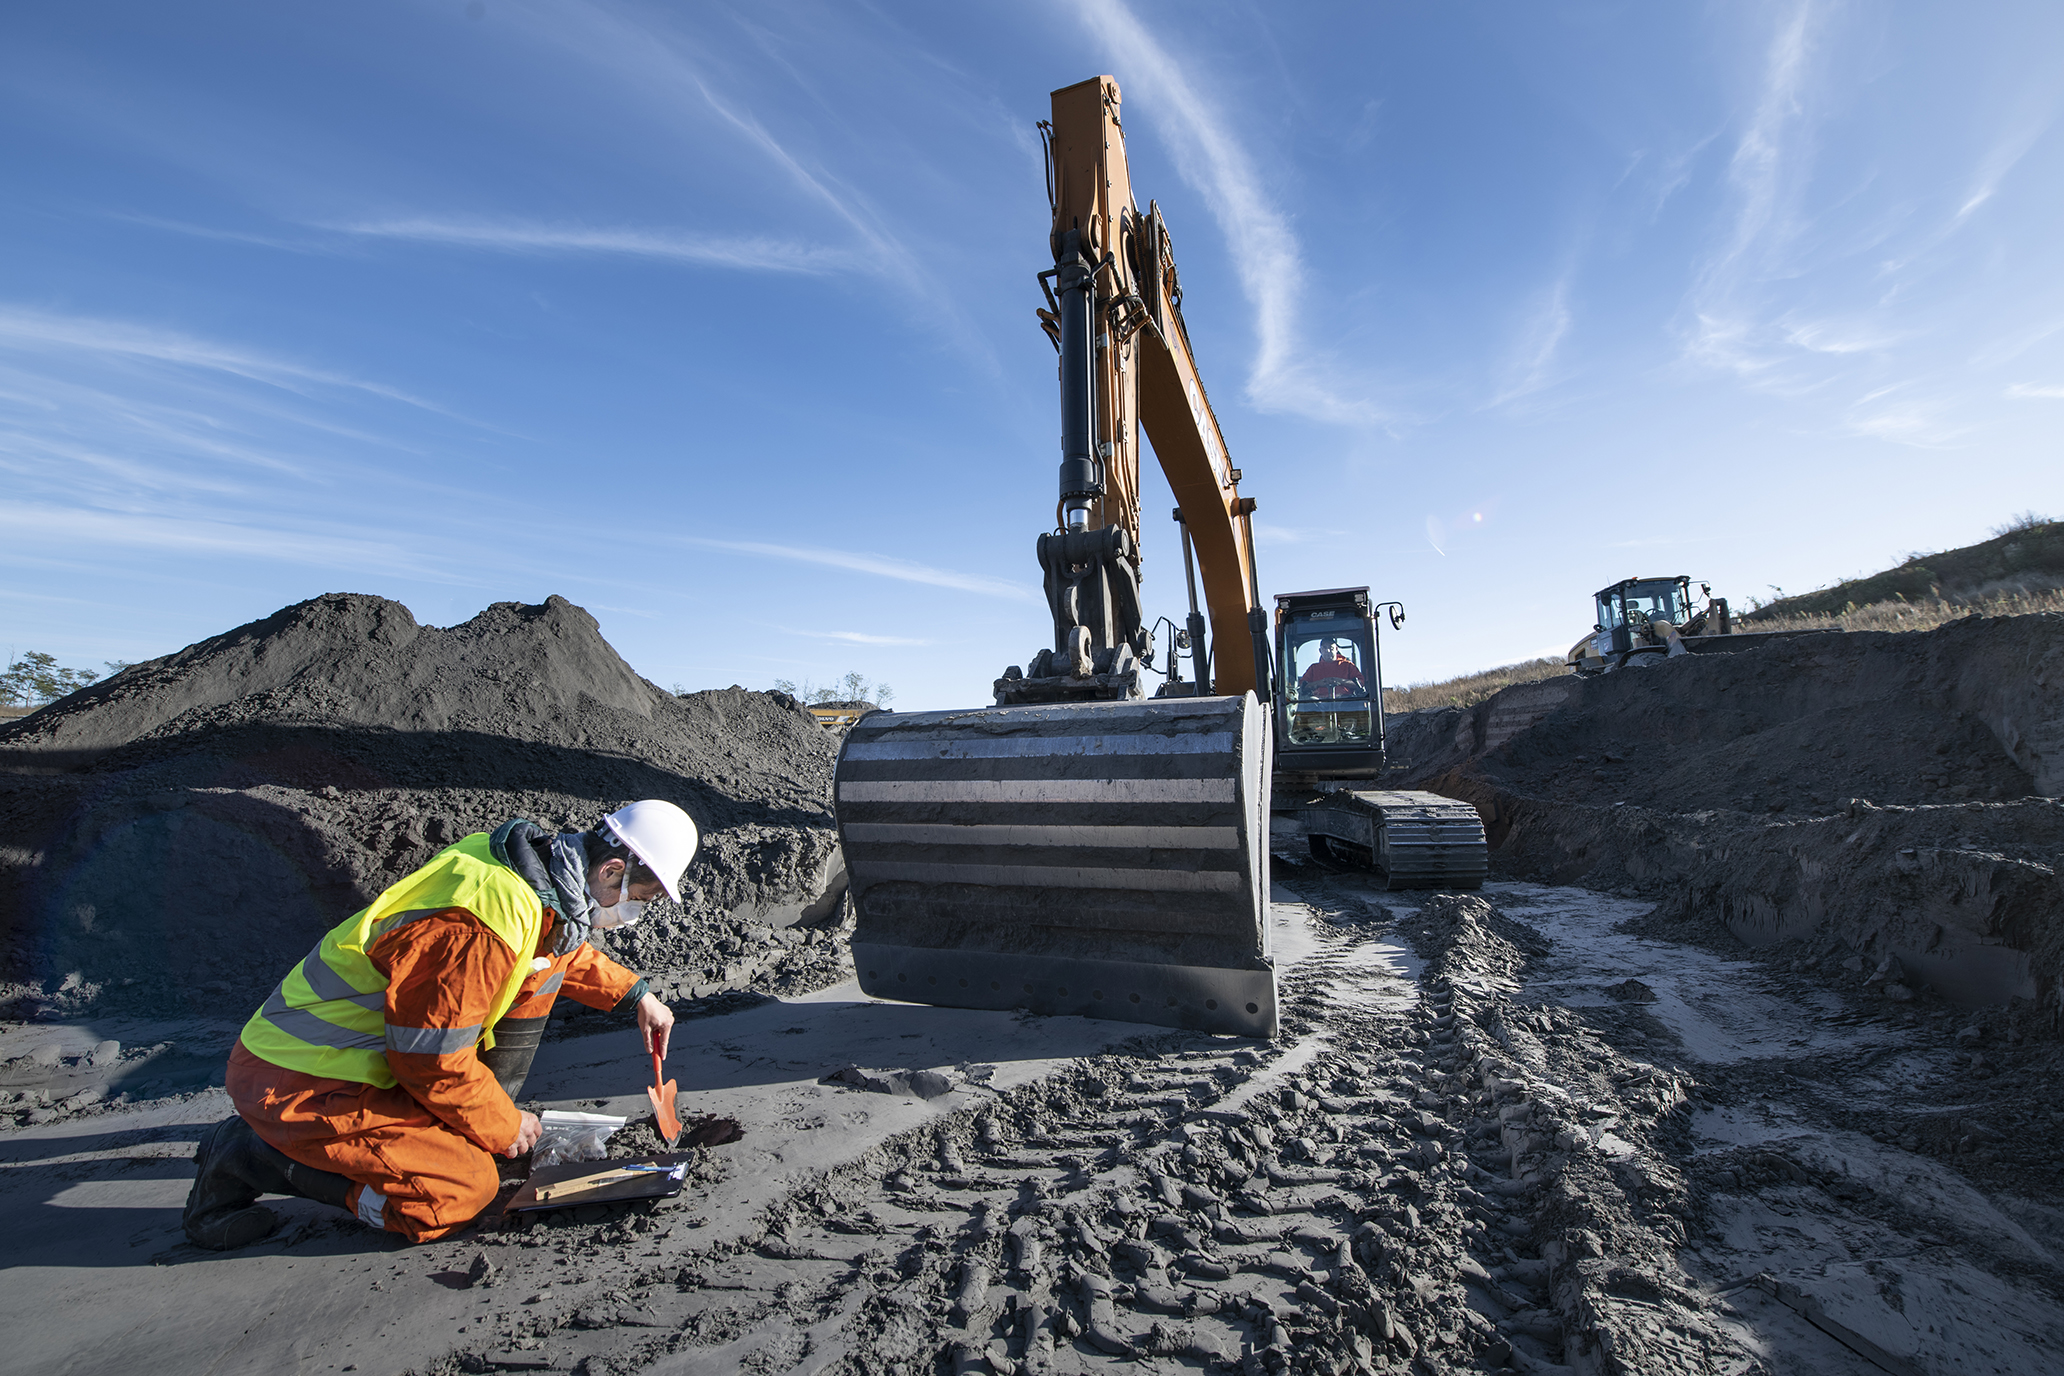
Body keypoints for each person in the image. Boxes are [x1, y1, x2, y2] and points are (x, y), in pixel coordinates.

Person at [183, 799, 705, 1250]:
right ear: (612, 870)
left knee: (545, 971)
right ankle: (250, 1155)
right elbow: (430, 1060)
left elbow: (553, 954)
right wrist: (505, 1124)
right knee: (456, 1194)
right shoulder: (477, 926)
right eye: (640, 899)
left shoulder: (527, 881)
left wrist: (638, 995)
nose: (633, 912)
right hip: (301, 1080)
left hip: (362, 1066)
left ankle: (458, 1129)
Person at [1298, 638, 1367, 699]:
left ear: (1336, 649)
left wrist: (1339, 681)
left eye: (1331, 648)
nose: (1328, 651)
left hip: (1345, 702)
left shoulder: (1348, 665)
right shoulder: (1313, 668)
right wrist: (1320, 683)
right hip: (1319, 705)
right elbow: (1302, 686)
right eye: (1324, 648)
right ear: (1320, 650)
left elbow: (1361, 683)